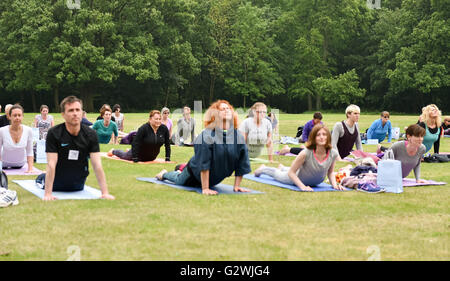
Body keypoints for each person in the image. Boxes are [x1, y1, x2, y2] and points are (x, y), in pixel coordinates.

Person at [156, 100, 251, 195]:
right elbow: (204, 162)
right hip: (194, 175)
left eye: (228, 108)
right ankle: (164, 173)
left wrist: (237, 186)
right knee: (178, 179)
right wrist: (205, 188)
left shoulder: (238, 137)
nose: (226, 110)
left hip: (213, 179)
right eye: (222, 109)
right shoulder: (207, 135)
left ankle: (181, 167)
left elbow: (242, 163)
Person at [40, 96, 114, 201]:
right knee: (42, 177)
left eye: (77, 110)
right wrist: (48, 194)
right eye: (70, 110)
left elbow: (97, 164)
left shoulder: (91, 134)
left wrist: (105, 193)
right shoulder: (54, 133)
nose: (75, 113)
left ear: (82, 113)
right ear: (63, 115)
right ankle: (42, 175)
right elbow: (51, 164)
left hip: (78, 184)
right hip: (57, 182)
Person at [254, 124, 343, 191]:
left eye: (324, 134)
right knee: (277, 174)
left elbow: (330, 173)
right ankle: (263, 169)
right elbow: (291, 173)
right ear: (313, 138)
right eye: (318, 135)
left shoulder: (333, 153)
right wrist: (302, 187)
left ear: (328, 137)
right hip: (294, 179)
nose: (322, 137)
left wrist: (334, 185)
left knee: (291, 169)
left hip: (316, 183)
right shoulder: (305, 153)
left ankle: (283, 168)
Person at [0, 104, 34, 172]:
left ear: (22, 116)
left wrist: (30, 169)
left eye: (19, 115)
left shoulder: (28, 130)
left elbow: (30, 151)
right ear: (9, 117)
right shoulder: (2, 131)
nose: (17, 118)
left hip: (20, 164)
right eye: (15, 115)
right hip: (3, 164)